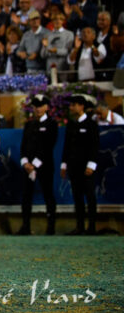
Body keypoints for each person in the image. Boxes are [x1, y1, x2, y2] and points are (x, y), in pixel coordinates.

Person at [17, 94, 58, 236]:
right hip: (28, 167)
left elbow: (48, 147)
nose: (38, 109)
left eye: (41, 106)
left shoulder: (52, 124)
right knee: (26, 196)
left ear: (46, 107)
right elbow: (23, 146)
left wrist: (34, 164)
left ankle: (51, 227)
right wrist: (25, 162)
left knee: (48, 194)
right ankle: (25, 226)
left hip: (44, 167)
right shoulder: (29, 124)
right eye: (36, 106)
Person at [62, 94, 100, 235]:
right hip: (73, 166)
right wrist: (64, 165)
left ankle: (91, 227)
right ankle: (80, 226)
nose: (71, 107)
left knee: (90, 196)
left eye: (73, 105)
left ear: (81, 106)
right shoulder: (71, 125)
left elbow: (94, 146)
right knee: (77, 197)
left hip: (87, 167)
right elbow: (67, 146)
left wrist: (91, 164)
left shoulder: (91, 124)